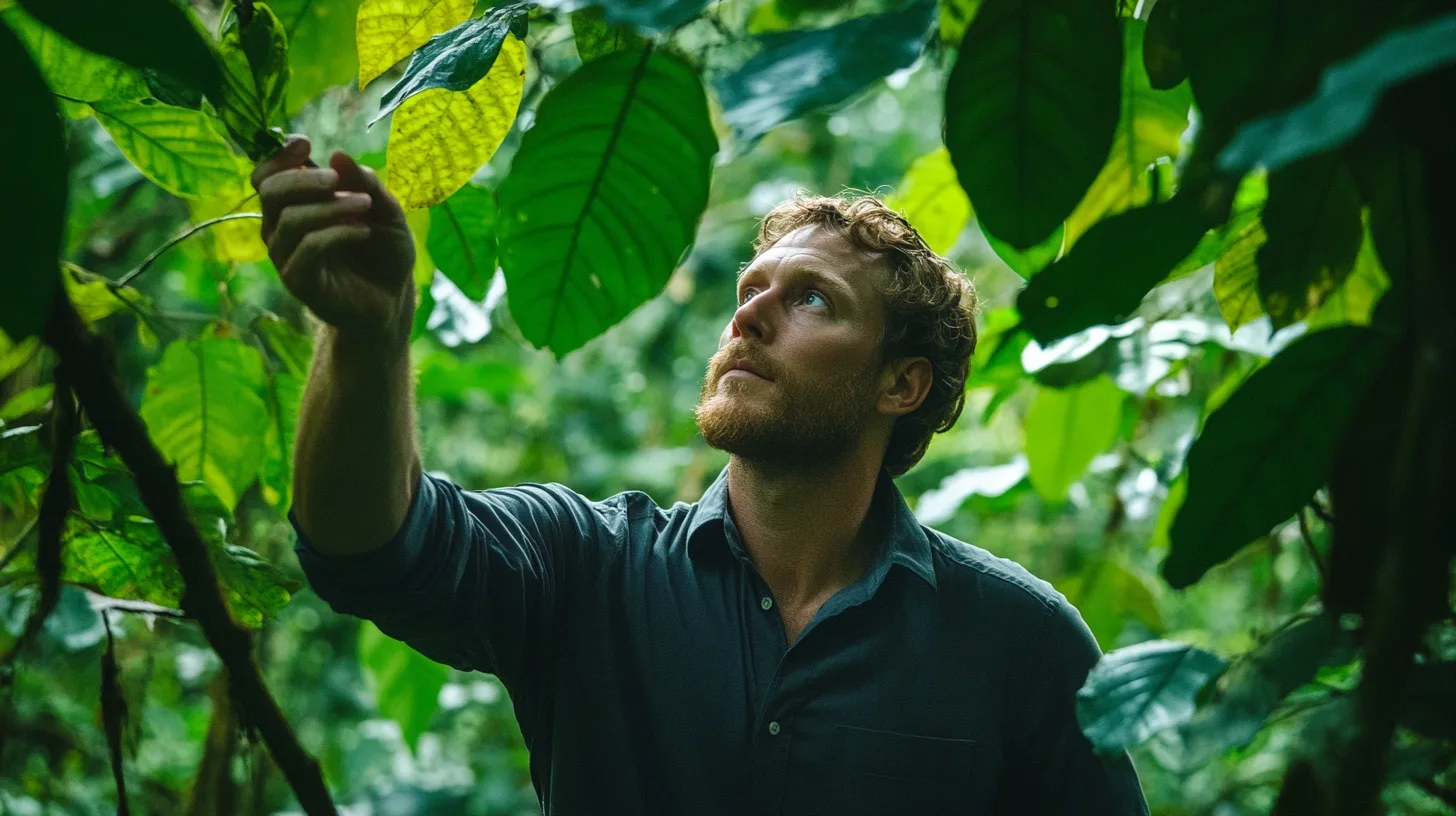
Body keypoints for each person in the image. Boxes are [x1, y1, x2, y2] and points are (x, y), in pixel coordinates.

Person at [251, 135, 1149, 815]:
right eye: (749, 291)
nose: (750, 317)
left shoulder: (1024, 645)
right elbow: (370, 548)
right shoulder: (589, 566)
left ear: (901, 383)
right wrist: (371, 333)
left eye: (810, 300)